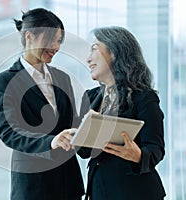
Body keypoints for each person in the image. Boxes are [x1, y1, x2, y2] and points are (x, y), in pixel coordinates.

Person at [0, 8, 84, 200]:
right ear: (29, 36)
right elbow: (9, 131)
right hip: (33, 185)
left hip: (68, 182)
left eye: (59, 41)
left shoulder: (62, 78)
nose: (55, 47)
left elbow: (71, 124)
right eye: (50, 40)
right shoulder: (4, 82)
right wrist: (50, 142)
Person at [77, 26, 166, 200]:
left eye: (94, 48)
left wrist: (138, 155)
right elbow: (84, 151)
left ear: (115, 52)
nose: (88, 59)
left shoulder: (143, 97)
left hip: (135, 192)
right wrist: (77, 135)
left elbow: (156, 148)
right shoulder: (90, 97)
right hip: (99, 191)